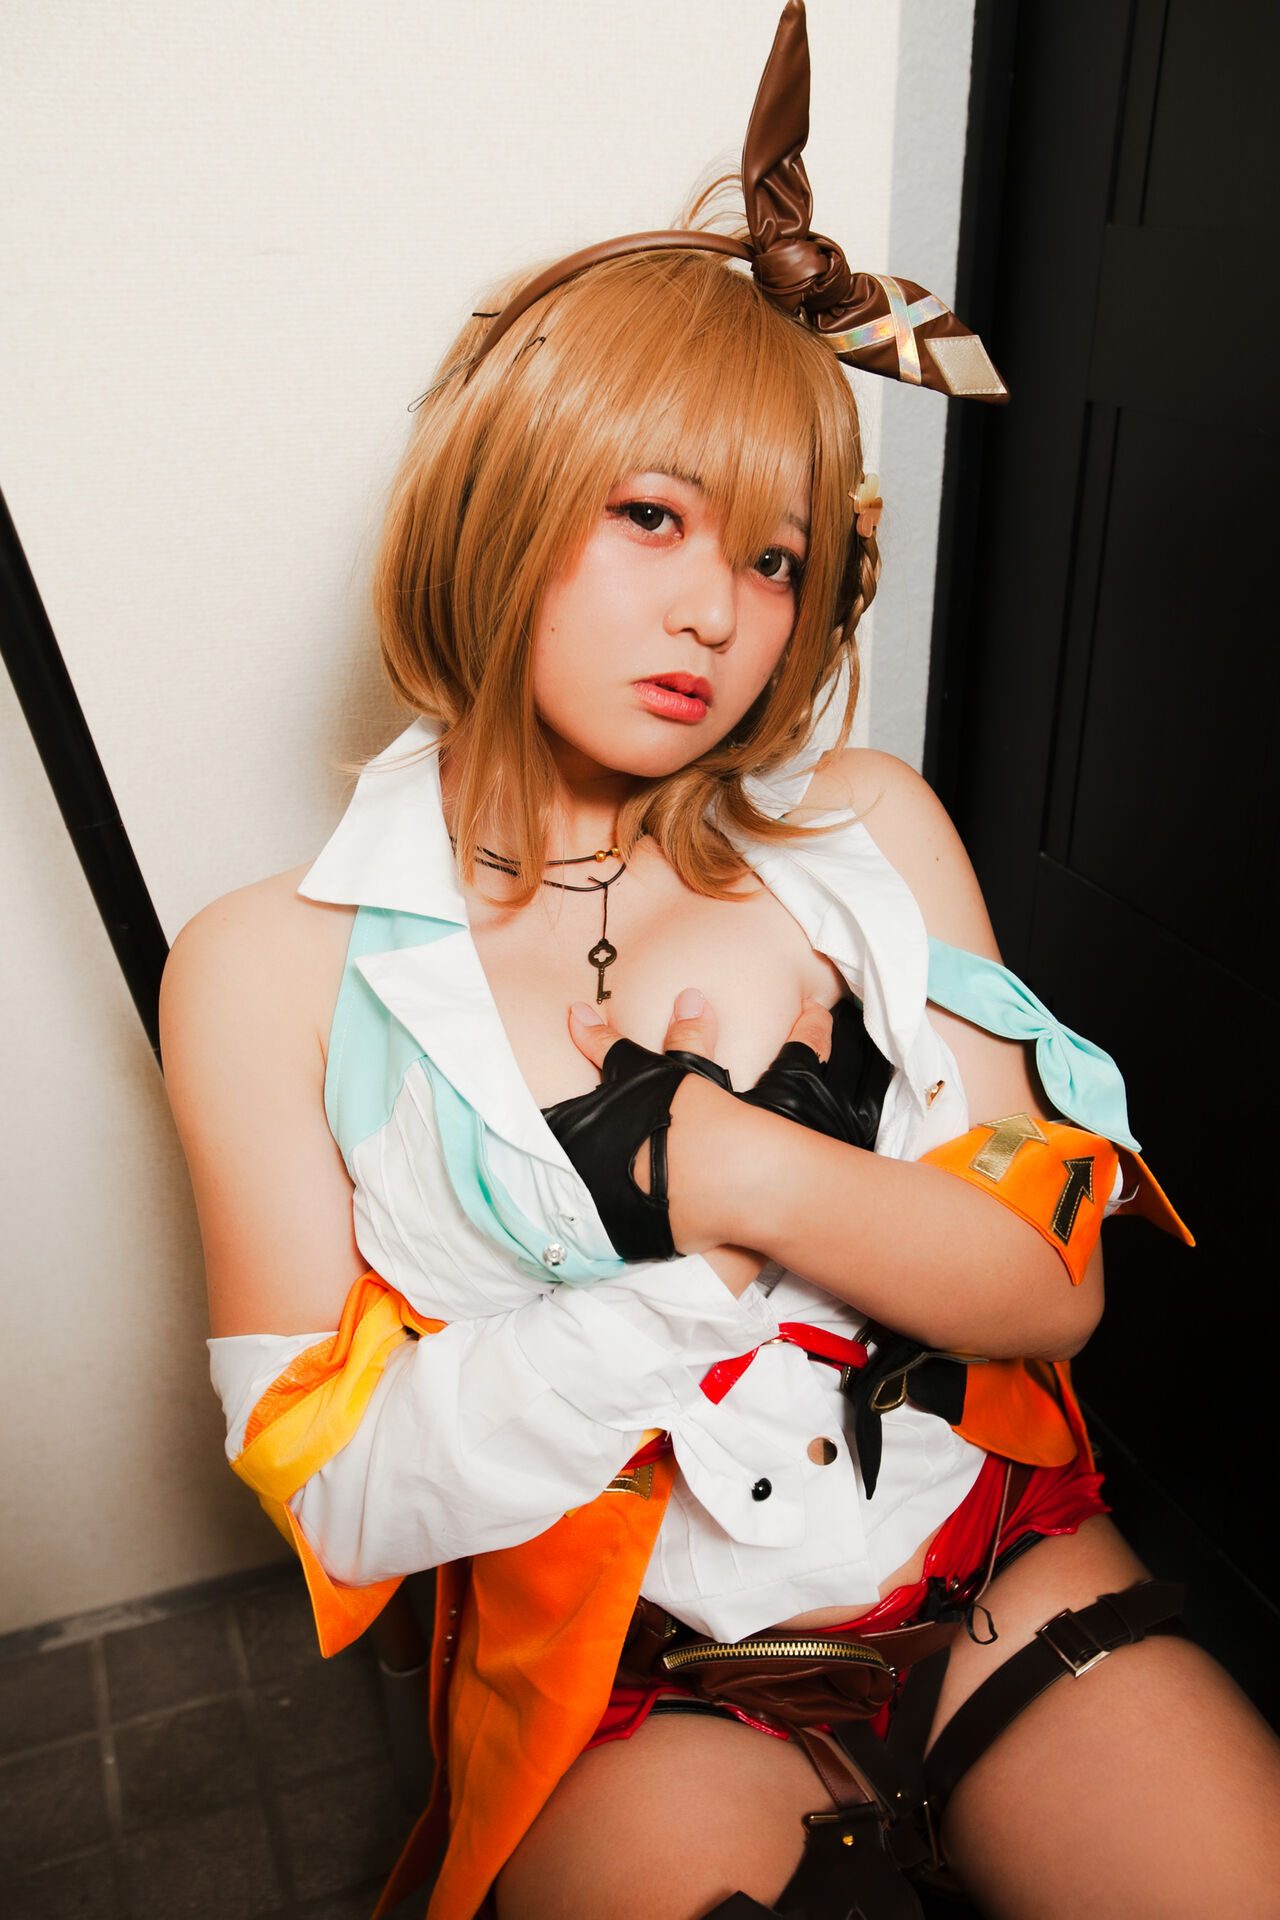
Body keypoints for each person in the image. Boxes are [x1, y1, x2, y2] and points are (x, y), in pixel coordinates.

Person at [160, 7, 1280, 1917]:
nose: (715, 613)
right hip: (638, 1677)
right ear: (505, 503)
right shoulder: (270, 967)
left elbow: (1048, 1290)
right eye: (651, 516)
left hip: (997, 1568)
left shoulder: (869, 831)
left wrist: (724, 1161)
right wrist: (695, 1276)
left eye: (774, 559)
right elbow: (346, 1488)